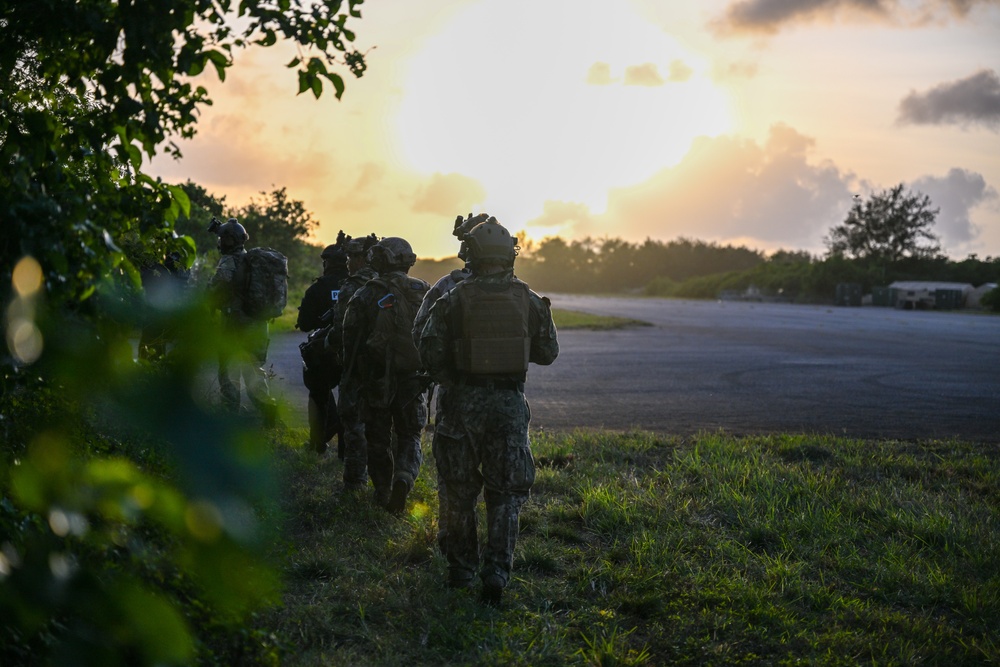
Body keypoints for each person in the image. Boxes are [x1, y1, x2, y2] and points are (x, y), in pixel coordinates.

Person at [417, 217, 558, 605]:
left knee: (459, 492)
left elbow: (428, 351)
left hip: (460, 406)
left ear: (472, 255)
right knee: (506, 493)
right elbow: (548, 354)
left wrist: (453, 379)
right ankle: (496, 570)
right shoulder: (528, 298)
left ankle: (461, 569)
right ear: (510, 254)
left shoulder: (452, 298)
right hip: (509, 407)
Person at [341, 237, 430, 513]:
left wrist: (351, 374)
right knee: (410, 435)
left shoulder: (366, 293)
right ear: (408, 261)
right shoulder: (424, 291)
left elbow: (350, 335)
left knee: (377, 438)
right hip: (413, 378)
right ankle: (404, 476)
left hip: (376, 377)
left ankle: (382, 492)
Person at [207, 217, 277, 425]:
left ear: (230, 240)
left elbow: (218, 284)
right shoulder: (252, 261)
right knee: (254, 369)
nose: (219, 242)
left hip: (235, 323)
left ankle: (230, 414)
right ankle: (267, 407)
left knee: (228, 370)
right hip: (257, 324)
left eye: (222, 238)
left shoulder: (230, 261)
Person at [296, 232, 351, 455]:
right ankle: (345, 451)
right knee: (349, 399)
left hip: (324, 353)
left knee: (318, 393)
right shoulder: (359, 285)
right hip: (352, 352)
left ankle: (317, 443)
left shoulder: (318, 288)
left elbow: (305, 323)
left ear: (327, 263)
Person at [334, 233, 380, 491]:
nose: (348, 261)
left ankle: (355, 482)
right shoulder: (390, 282)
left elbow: (343, 328)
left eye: (353, 256)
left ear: (364, 258)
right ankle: (386, 481)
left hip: (357, 366)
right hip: (387, 367)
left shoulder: (352, 286)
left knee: (354, 424)